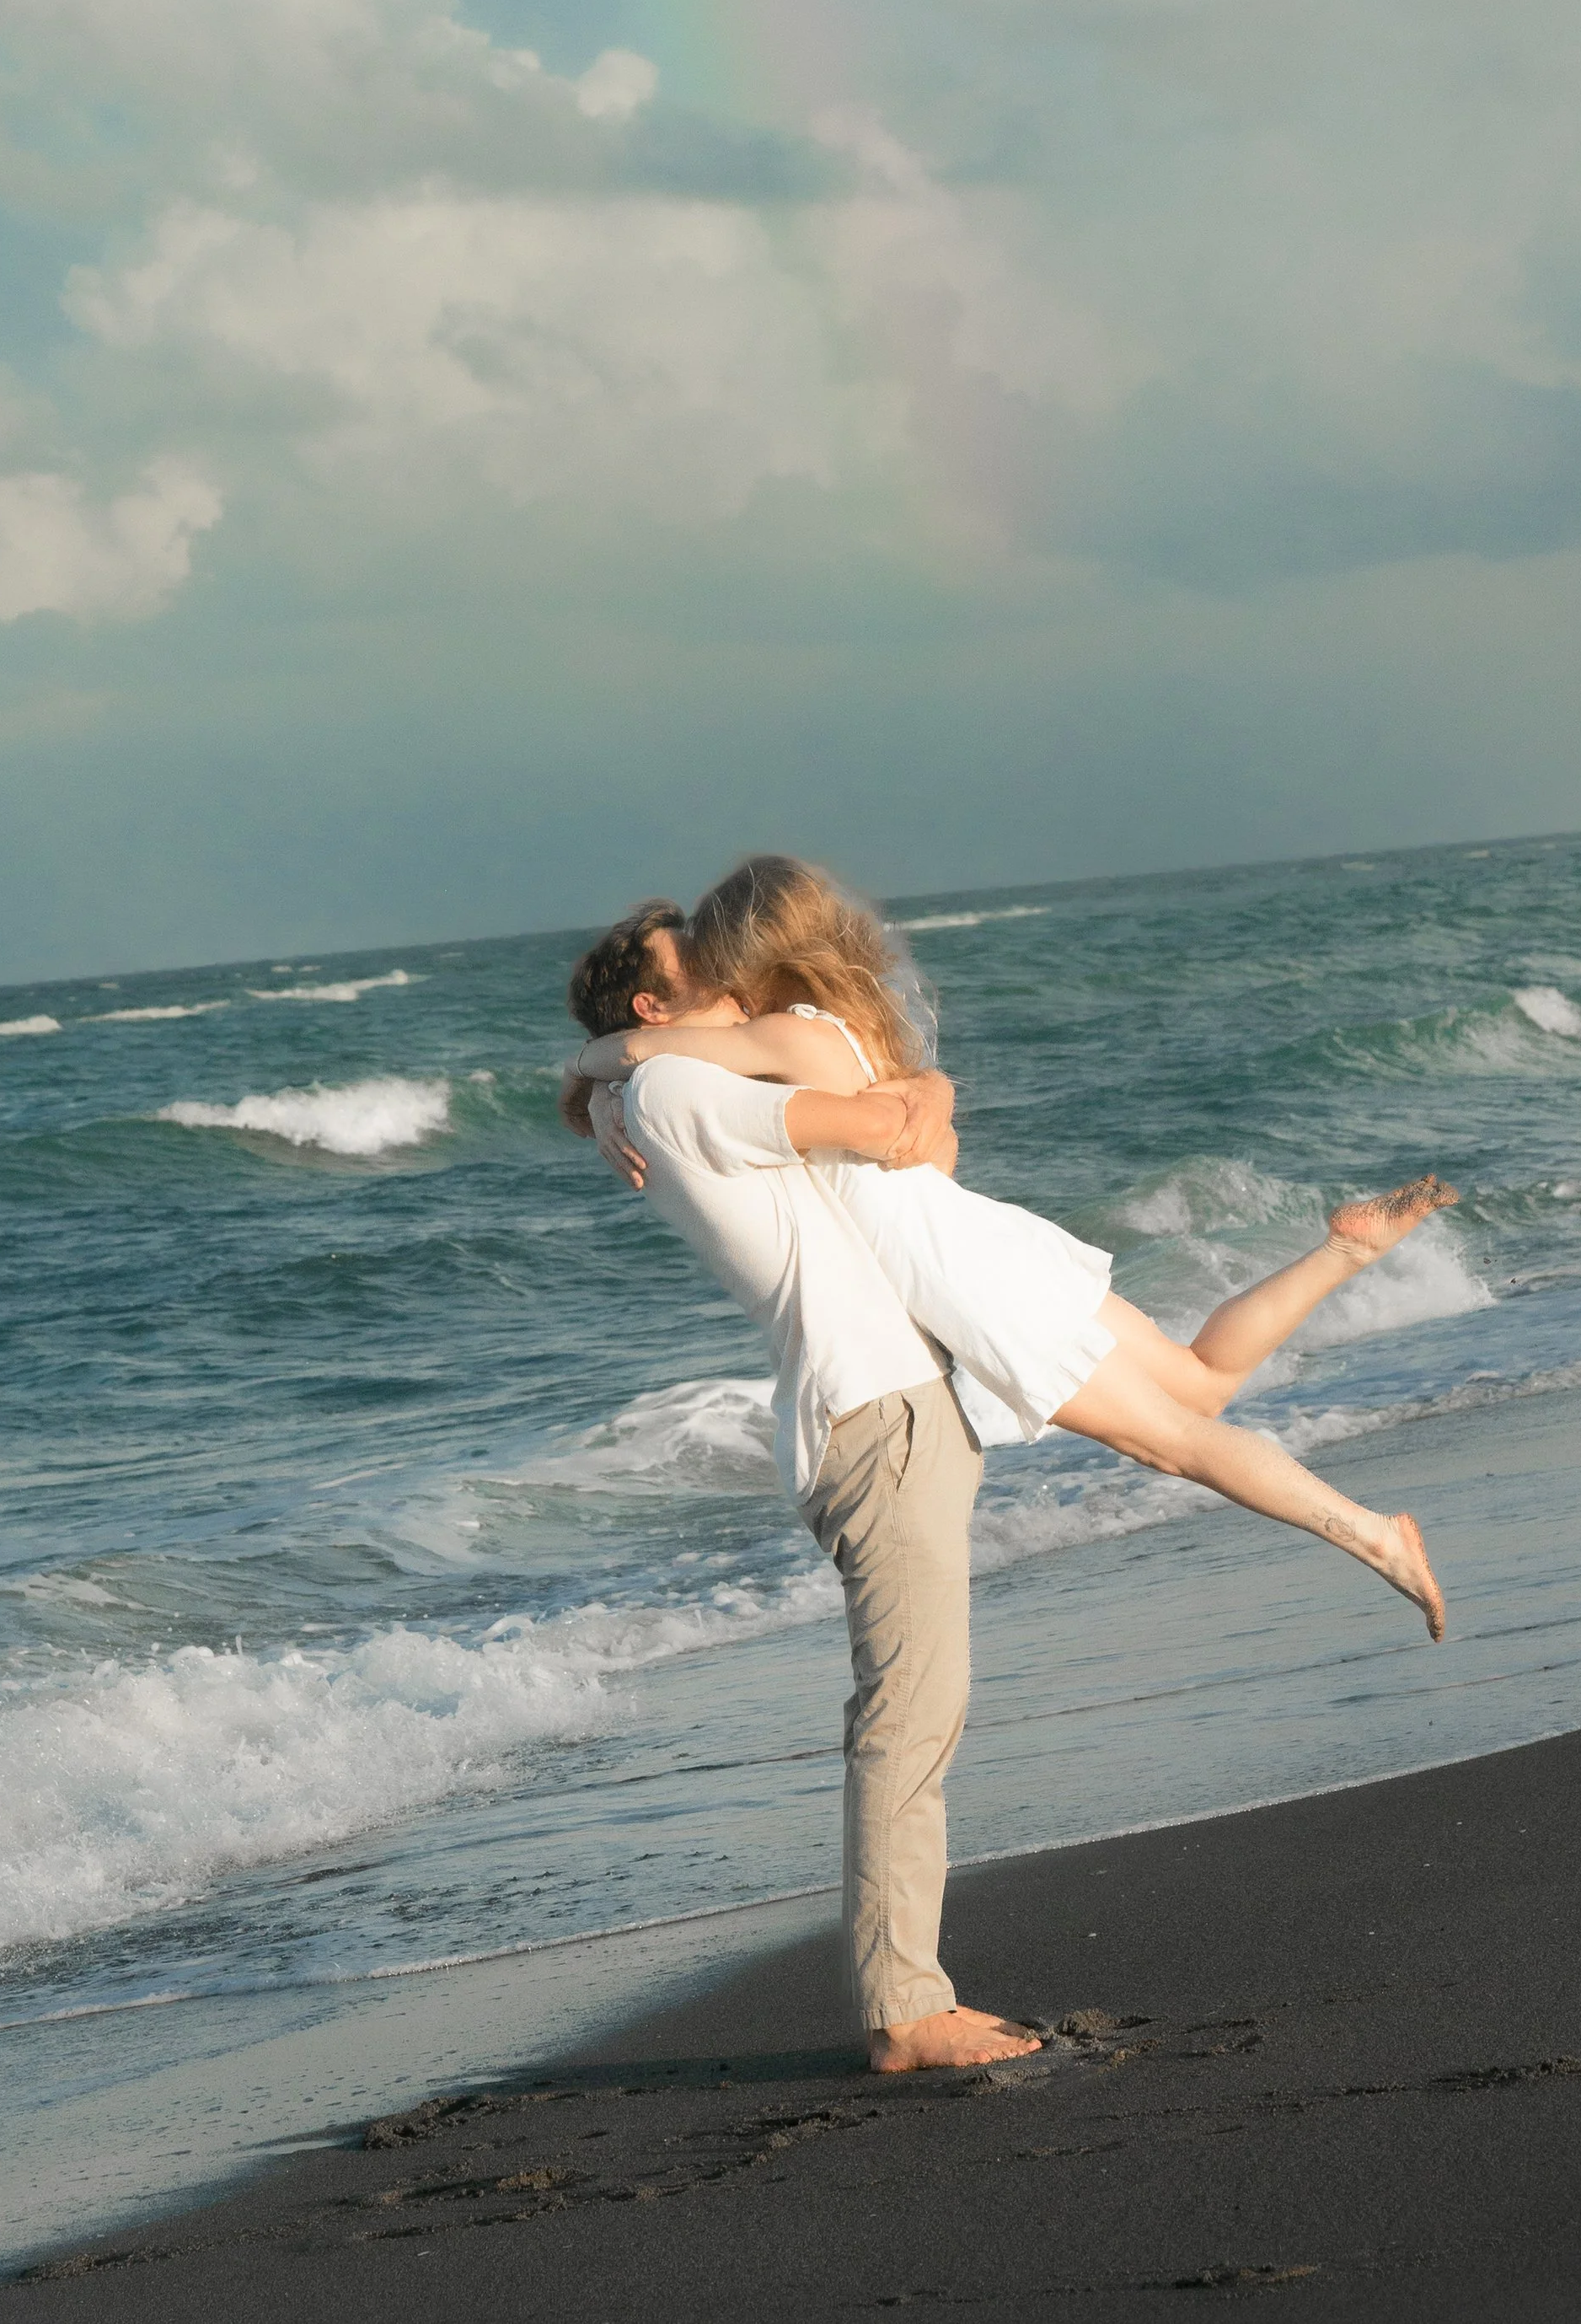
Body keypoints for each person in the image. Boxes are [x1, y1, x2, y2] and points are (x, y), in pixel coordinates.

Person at [571, 856, 1452, 1640]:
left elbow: (647, 1049)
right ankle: (1344, 1252)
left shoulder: (769, 1041)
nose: (716, 973)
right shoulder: (842, 1024)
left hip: (959, 1274)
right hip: (979, 1238)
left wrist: (588, 1079)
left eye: (719, 955)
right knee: (1199, 1381)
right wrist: (603, 1097)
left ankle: (1372, 1534)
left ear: (753, 954)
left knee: (1171, 1441)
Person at [562, 900, 1037, 2077]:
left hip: (876, 1404)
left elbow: (900, 1114)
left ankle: (907, 1994)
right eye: (702, 974)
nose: (735, 984)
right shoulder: (675, 1087)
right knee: (909, 1712)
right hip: (874, 1412)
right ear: (651, 1006)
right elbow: (887, 1120)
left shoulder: (659, 1083)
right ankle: (904, 2008)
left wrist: (585, 1076)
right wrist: (923, 1090)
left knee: (918, 1705)